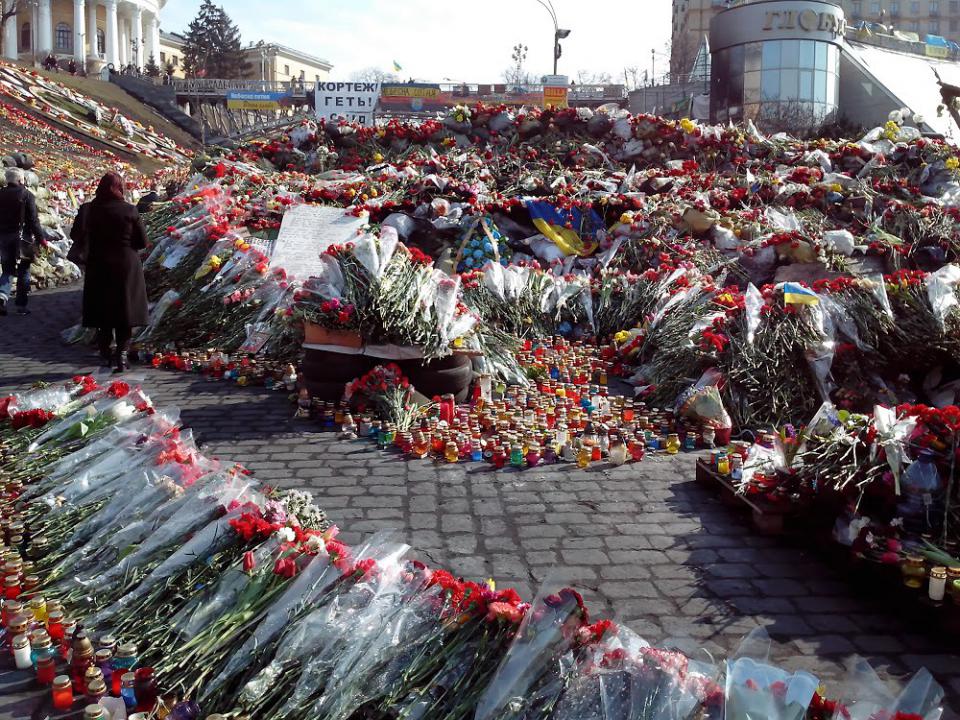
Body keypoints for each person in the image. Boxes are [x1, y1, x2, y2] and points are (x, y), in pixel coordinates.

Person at [74, 172, 149, 372]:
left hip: (98, 263)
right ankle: (122, 355)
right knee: (125, 310)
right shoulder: (129, 210)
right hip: (126, 264)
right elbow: (142, 241)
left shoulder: (88, 210)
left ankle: (105, 353)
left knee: (103, 310)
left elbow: (75, 235)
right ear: (120, 188)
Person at [0, 167, 44, 316]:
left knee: (7, 269)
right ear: (20, 180)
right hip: (22, 238)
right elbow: (33, 220)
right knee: (24, 270)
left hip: (4, 237)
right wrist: (41, 238)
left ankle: (2, 297)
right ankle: (21, 306)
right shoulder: (27, 194)